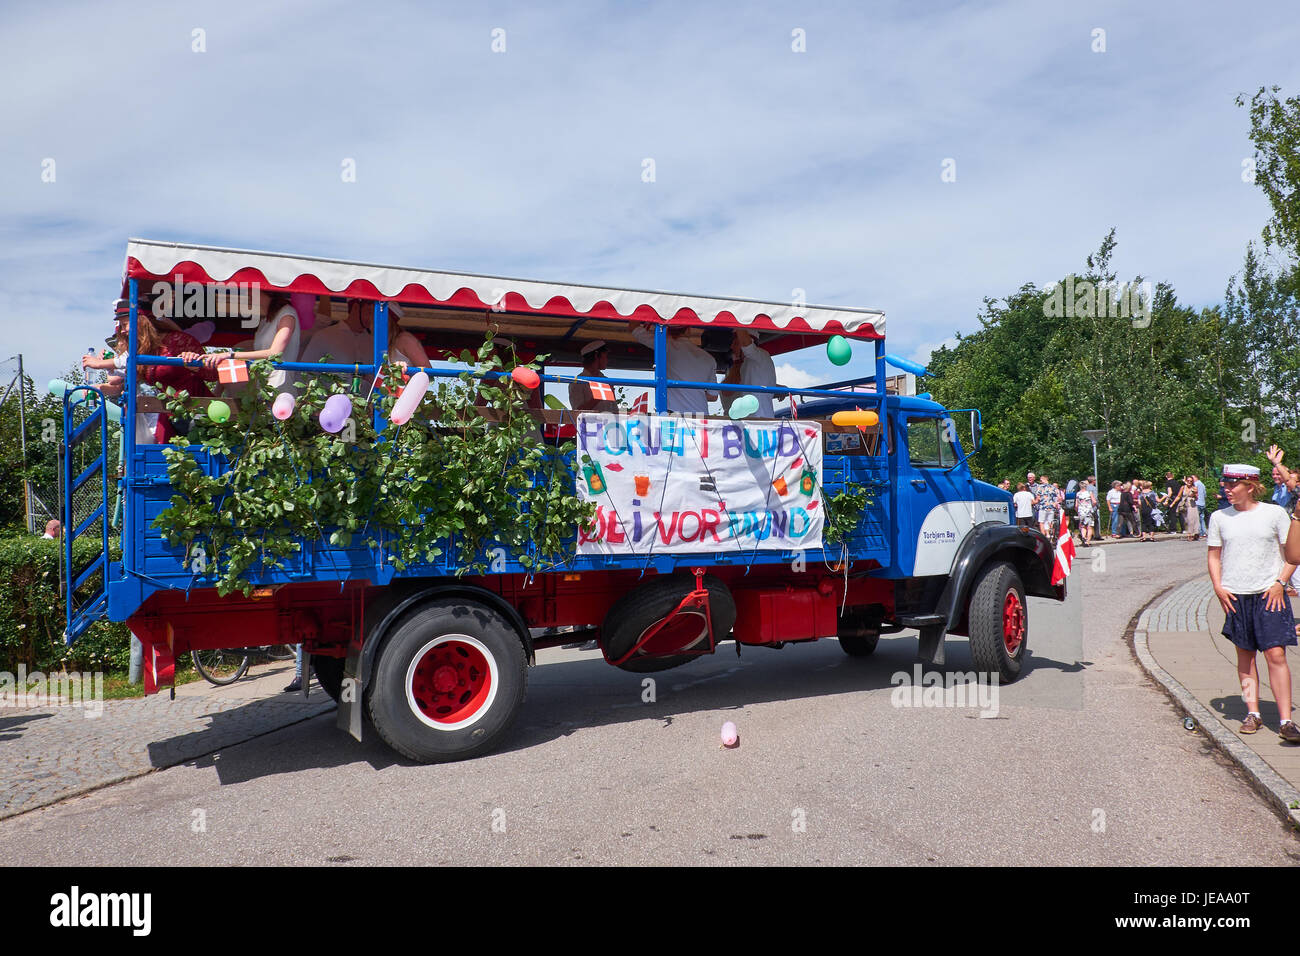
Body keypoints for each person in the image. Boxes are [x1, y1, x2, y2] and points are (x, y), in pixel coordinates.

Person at [1206, 463, 1299, 743]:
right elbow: (1213, 555)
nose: (1227, 489)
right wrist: (1218, 588)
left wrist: (1280, 583)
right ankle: (1253, 713)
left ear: (1250, 485)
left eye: (1232, 485)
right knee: (1245, 658)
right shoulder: (1219, 517)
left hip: (1270, 594)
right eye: (1225, 484)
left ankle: (1285, 720)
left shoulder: (1274, 513)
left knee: (1276, 655)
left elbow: (1292, 553)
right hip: (1236, 596)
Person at [84, 307, 217, 442]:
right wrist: (99, 385)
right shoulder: (142, 349)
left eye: (125, 325)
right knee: (156, 453)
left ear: (141, 322)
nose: (123, 331)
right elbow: (119, 378)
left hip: (196, 410)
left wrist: (194, 364)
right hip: (167, 412)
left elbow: (213, 374)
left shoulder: (177, 341)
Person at [184, 295, 301, 392]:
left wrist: (229, 355)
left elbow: (275, 353)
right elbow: (251, 350)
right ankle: (218, 396)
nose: (249, 294)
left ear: (268, 291)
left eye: (254, 289)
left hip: (278, 386)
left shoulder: (287, 313)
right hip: (262, 385)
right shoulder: (265, 320)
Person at [631, 323, 717, 415]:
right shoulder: (709, 359)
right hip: (701, 416)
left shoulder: (664, 345)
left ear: (667, 329)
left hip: (673, 416)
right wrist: (694, 391)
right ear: (688, 330)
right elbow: (713, 396)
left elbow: (633, 327)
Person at [720, 329, 778, 417]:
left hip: (759, 418)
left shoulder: (761, 355)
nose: (731, 346)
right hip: (748, 420)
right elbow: (726, 391)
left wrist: (738, 319)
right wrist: (737, 363)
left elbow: (747, 346)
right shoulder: (740, 363)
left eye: (735, 342)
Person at [568, 340, 618, 413]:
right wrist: (599, 396)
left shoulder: (606, 380)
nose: (607, 360)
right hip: (589, 424)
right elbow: (577, 412)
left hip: (609, 423)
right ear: (596, 355)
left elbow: (614, 409)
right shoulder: (577, 382)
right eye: (605, 356)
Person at [1075, 480, 1096, 547]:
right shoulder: (1089, 493)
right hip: (1088, 511)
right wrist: (1091, 506)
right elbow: (1094, 501)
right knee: (1089, 527)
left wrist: (1077, 510)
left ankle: (1083, 537)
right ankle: (1087, 541)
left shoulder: (1078, 494)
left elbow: (1076, 505)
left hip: (1081, 511)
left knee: (1083, 526)